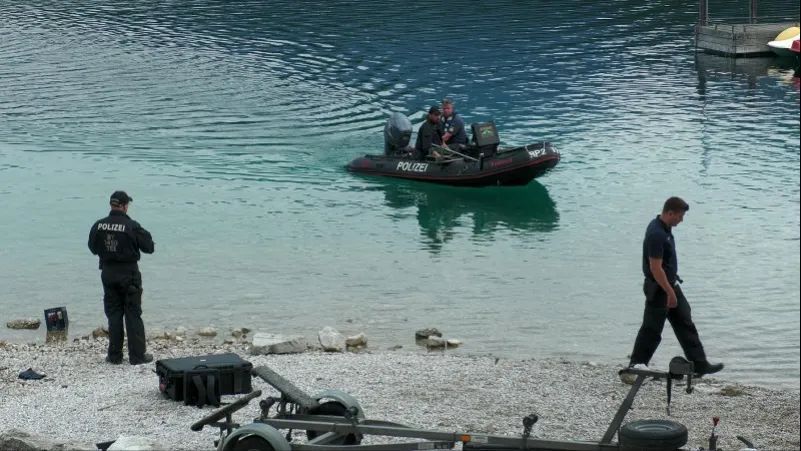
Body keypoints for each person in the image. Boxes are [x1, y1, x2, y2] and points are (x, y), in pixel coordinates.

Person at [627, 197, 724, 376]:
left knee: (685, 321)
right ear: (670, 213)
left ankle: (700, 364)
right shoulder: (656, 233)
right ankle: (636, 365)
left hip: (670, 284)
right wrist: (669, 292)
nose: (681, 220)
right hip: (659, 288)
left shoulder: (665, 228)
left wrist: (672, 289)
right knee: (652, 328)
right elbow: (655, 268)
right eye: (680, 216)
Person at [88, 191, 155, 365]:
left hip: (108, 273)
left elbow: (92, 248)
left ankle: (115, 356)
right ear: (124, 206)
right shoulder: (132, 226)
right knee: (133, 314)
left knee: (114, 314)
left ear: (111, 205)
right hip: (129, 274)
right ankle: (137, 356)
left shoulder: (98, 225)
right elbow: (149, 247)